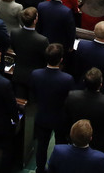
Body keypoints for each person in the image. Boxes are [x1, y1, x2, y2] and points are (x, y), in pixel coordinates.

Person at [29, 43, 75, 173]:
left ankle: (40, 169)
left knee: (41, 146)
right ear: (61, 59)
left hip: (42, 115)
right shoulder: (67, 79)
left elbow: (33, 94)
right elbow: (70, 100)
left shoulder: (35, 74)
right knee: (60, 146)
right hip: (60, 118)